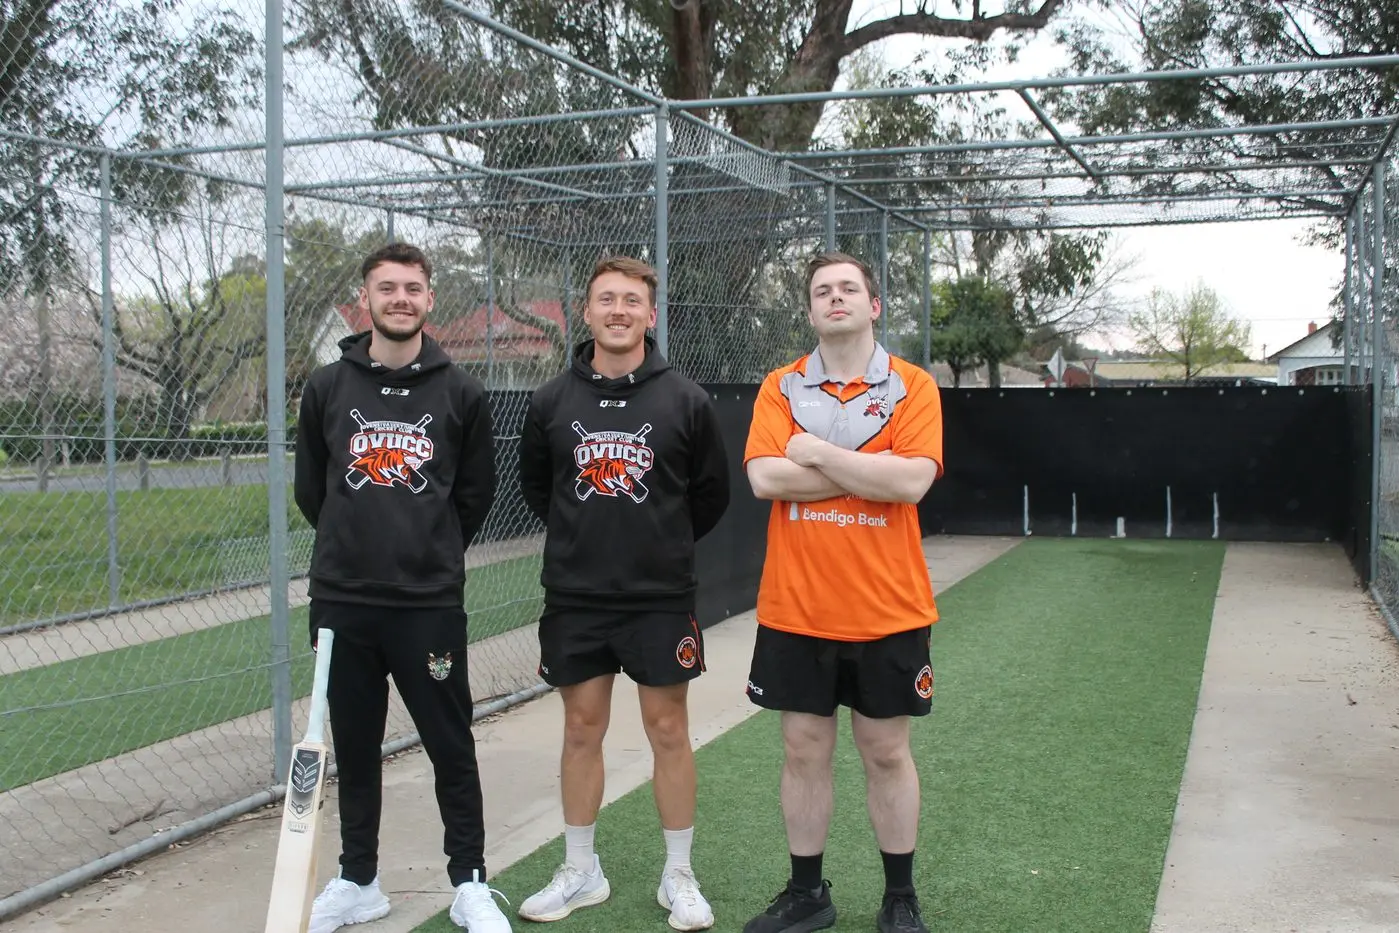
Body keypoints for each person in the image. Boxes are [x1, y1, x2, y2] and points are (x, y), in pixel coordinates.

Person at [292, 242, 512, 933]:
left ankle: (469, 881)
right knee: (353, 745)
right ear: (366, 299)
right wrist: (354, 545)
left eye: (412, 288)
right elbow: (312, 490)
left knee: (449, 740)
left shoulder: (461, 391)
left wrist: (429, 547)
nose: (400, 298)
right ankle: (359, 878)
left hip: (427, 604)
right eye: (386, 287)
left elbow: (475, 493)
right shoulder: (328, 386)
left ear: (429, 298)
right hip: (343, 600)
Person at [515, 255, 732, 931]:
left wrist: (651, 540)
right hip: (577, 595)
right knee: (581, 729)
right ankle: (581, 869)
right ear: (586, 311)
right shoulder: (551, 401)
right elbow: (538, 490)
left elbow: (709, 496)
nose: (617, 310)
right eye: (605, 298)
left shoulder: (685, 400)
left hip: (658, 596)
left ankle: (679, 875)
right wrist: (592, 537)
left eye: (630, 300)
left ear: (649, 314)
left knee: (668, 729)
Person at [740, 251, 944, 933]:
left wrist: (820, 454)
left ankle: (899, 897)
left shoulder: (913, 386)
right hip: (796, 606)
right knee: (802, 747)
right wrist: (870, 468)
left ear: (873, 304)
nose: (835, 298)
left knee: (885, 750)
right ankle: (807, 894)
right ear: (809, 309)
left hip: (887, 605)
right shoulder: (780, 386)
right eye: (822, 290)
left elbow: (912, 482)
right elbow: (766, 480)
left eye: (848, 288)